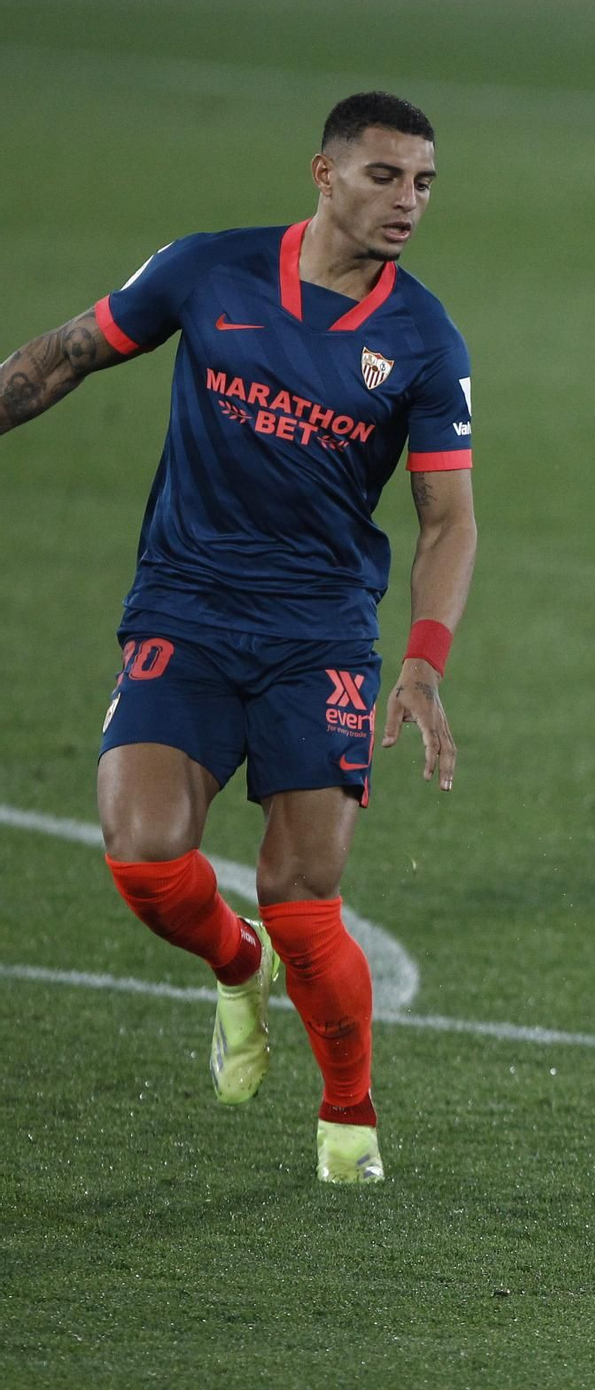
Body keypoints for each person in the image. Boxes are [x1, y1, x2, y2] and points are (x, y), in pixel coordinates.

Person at [0, 92, 477, 1183]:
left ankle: (347, 1113)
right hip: (186, 606)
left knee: (306, 900)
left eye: (425, 183)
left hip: (319, 636)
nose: (408, 201)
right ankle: (233, 964)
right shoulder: (206, 271)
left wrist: (422, 658)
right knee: (145, 857)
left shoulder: (423, 339)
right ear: (323, 172)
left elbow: (448, 517)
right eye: (385, 177)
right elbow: (70, 352)